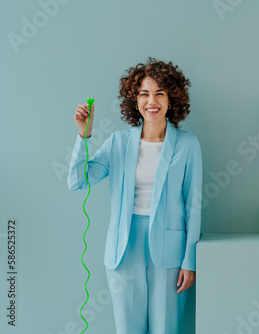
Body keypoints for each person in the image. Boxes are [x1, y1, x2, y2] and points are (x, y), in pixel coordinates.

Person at [67, 57, 203, 334]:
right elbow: (77, 182)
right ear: (135, 100)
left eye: (159, 93)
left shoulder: (188, 144)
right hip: (123, 248)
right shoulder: (118, 142)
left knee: (165, 328)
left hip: (170, 250)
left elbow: (194, 205)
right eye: (144, 94)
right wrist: (84, 136)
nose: (151, 101)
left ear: (171, 99)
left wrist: (191, 260)